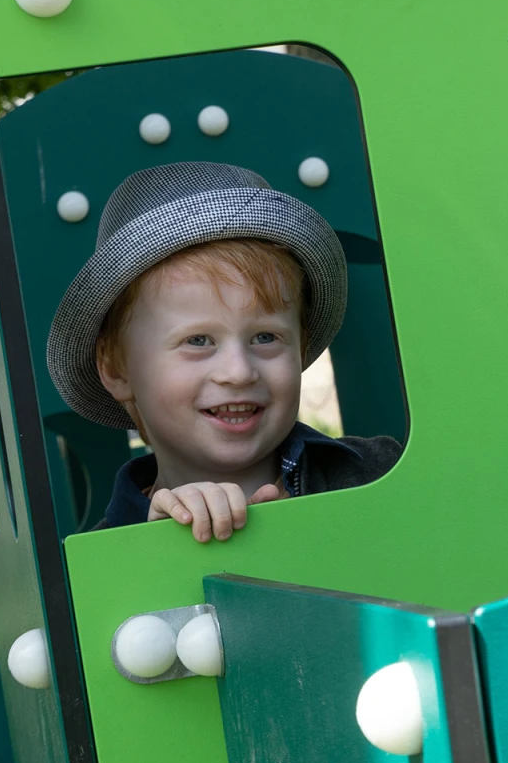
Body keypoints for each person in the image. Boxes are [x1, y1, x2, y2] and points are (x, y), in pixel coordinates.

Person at [47, 162, 402, 538]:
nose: (238, 372)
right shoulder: (103, 564)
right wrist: (163, 554)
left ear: (301, 348)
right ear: (117, 370)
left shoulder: (381, 475)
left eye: (265, 337)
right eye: (198, 341)